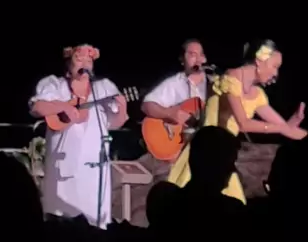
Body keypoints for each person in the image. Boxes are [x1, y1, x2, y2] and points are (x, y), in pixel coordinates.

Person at [168, 39, 308, 203]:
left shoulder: (257, 94)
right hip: (206, 156)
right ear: (259, 61)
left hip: (224, 160)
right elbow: (243, 123)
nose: (275, 74)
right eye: (275, 66)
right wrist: (283, 128)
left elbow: (285, 128)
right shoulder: (231, 78)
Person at [30, 43, 128, 227]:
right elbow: (37, 107)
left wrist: (122, 108)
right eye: (79, 58)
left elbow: (115, 123)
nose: (85, 63)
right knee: (61, 226)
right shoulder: (54, 84)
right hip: (63, 173)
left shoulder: (104, 88)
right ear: (68, 62)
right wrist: (63, 106)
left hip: (95, 174)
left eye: (89, 59)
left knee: (95, 227)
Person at [141, 38, 208, 130]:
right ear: (182, 59)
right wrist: (169, 113)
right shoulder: (175, 83)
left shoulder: (213, 83)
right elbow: (146, 105)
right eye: (192, 55)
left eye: (200, 55)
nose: (198, 60)